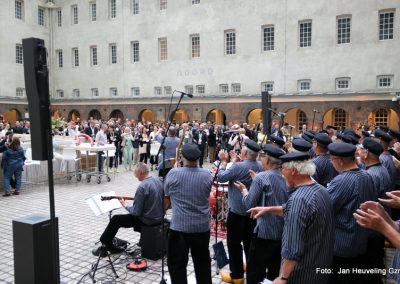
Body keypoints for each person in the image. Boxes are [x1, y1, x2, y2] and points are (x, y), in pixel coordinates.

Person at [248, 151, 334, 284]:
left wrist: (283, 277)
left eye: (283, 169)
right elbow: (300, 212)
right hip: (321, 268)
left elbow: (293, 249)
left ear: (293, 171)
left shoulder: (298, 200)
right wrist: (268, 209)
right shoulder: (321, 190)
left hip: (302, 274)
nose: (281, 173)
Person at [236, 144, 288, 283]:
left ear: (269, 160)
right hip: (282, 231)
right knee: (274, 270)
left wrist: (244, 191)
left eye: (263, 156)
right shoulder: (286, 175)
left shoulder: (261, 178)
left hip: (265, 231)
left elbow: (249, 204)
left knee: (255, 272)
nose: (260, 159)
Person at [327, 142, 377, 283]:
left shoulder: (342, 180)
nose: (331, 163)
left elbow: (326, 207)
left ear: (340, 161)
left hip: (341, 244)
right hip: (359, 240)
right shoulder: (366, 176)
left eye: (332, 160)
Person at [164, 143, 212, 284]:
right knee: (202, 264)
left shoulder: (173, 173)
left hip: (179, 228)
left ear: (182, 157)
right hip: (201, 227)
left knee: (177, 265)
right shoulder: (206, 174)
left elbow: (167, 198)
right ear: (199, 158)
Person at [218, 139, 263, 284]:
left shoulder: (237, 167)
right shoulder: (261, 165)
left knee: (234, 244)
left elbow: (221, 177)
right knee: (250, 242)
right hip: (253, 212)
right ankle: (251, 270)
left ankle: (237, 275)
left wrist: (225, 162)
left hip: (237, 212)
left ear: (244, 152)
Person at [94, 163, 164, 255]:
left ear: (140, 172)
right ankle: (142, 241)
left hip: (148, 220)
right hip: (159, 217)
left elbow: (136, 212)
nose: (135, 176)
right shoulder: (159, 180)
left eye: (135, 173)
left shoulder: (142, 187)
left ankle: (105, 245)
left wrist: (125, 205)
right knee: (122, 218)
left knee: (116, 219)